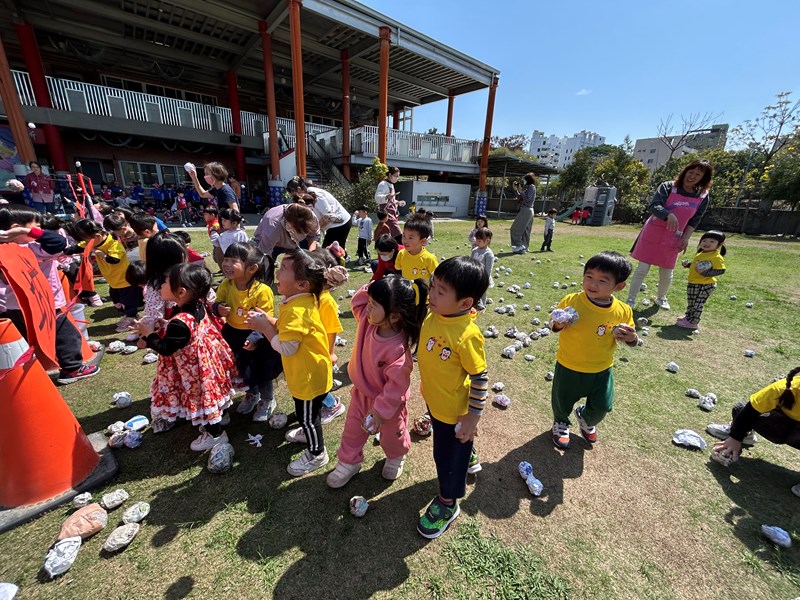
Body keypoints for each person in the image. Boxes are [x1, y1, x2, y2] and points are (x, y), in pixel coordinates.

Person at [327, 275, 429, 489]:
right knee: (353, 431)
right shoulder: (367, 319)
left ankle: (396, 456)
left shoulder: (398, 351)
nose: (368, 307)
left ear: (393, 317)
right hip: (361, 394)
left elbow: (396, 389)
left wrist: (380, 413)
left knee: (393, 435)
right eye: (371, 302)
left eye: (374, 304)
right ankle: (349, 462)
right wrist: (376, 286)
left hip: (388, 406)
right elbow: (357, 300)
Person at [416, 256, 489, 538]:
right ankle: (467, 452)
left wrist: (472, 417)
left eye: (440, 291)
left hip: (454, 411)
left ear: (465, 303)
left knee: (445, 459)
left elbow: (481, 377)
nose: (432, 294)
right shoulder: (436, 314)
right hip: (435, 400)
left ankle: (448, 502)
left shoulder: (467, 335)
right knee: (455, 448)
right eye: (433, 286)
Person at [246, 249, 332, 476]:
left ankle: (317, 453)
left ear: (302, 284)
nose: (277, 271)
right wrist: (268, 320)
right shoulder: (299, 300)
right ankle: (307, 431)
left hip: (308, 377)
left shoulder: (296, 309)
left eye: (284, 269)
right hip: (310, 372)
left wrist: (265, 328)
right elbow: (288, 330)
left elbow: (286, 346)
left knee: (308, 417)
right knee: (306, 414)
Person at [139, 263, 234, 451]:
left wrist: (149, 335)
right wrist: (163, 324)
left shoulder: (181, 321)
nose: (161, 286)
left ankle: (215, 434)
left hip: (193, 372)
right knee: (211, 395)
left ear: (181, 292)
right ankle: (220, 415)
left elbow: (166, 348)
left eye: (165, 282)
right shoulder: (197, 305)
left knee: (201, 398)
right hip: (205, 363)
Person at [549, 251, 639, 450]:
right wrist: (558, 324)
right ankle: (561, 423)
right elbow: (553, 324)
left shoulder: (623, 310)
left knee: (603, 405)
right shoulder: (572, 300)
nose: (592, 284)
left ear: (619, 286)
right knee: (561, 401)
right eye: (589, 277)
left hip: (601, 368)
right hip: (569, 364)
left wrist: (631, 338)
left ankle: (586, 418)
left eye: (602, 280)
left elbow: (631, 336)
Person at [0, 205, 100, 384]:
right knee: (64, 335)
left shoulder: (32, 246)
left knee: (24, 341)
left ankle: (29, 375)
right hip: (43, 304)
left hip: (16, 305)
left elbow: (59, 242)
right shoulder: (30, 246)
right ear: (16, 228)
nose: (41, 231)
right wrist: (27, 232)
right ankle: (72, 368)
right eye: (37, 227)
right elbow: (58, 242)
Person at [627, 160, 713, 310]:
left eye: (698, 175)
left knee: (667, 271)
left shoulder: (703, 196)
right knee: (642, 268)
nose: (692, 176)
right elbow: (654, 205)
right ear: (685, 171)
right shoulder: (668, 186)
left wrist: (685, 238)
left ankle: (661, 298)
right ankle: (631, 300)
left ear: (703, 179)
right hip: (654, 232)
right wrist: (668, 215)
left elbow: (695, 219)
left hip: (675, 236)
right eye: (691, 172)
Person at [213, 242, 281, 423]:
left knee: (262, 370)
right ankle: (252, 394)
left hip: (257, 336)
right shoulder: (227, 285)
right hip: (233, 334)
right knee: (244, 369)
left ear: (251, 268)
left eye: (233, 260)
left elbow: (265, 317)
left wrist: (255, 338)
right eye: (225, 259)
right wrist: (218, 308)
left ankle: (267, 400)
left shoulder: (262, 291)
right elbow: (216, 303)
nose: (226, 264)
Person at [708, 367, 800, 497]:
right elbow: (750, 410)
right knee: (740, 409)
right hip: (783, 425)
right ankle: (745, 435)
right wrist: (735, 437)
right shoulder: (783, 388)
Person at [67, 219, 140, 332]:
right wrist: (62, 251)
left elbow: (114, 259)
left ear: (96, 236)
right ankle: (129, 315)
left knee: (128, 301)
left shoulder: (113, 244)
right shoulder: (92, 242)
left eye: (86, 241)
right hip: (112, 280)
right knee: (116, 300)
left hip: (124, 279)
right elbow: (78, 247)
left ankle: (132, 318)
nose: (86, 244)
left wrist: (102, 255)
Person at [310, 247, 350, 424]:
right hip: (311, 348)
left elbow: (332, 328)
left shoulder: (326, 301)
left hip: (321, 351)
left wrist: (331, 352)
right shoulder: (312, 295)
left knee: (318, 383)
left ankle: (332, 405)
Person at [677, 230, 727, 330]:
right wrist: (688, 265)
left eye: (712, 241)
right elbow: (698, 266)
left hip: (705, 284)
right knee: (691, 302)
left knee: (697, 303)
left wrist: (707, 274)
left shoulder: (716, 257)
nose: (707, 243)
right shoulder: (701, 253)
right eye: (704, 240)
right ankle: (689, 318)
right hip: (694, 282)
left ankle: (693, 323)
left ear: (719, 244)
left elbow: (721, 270)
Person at [287, 177, 352, 248]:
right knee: (333, 252)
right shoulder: (304, 197)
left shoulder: (315, 195)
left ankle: (344, 257)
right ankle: (344, 257)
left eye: (292, 194)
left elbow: (329, 216)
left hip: (340, 224)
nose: (292, 197)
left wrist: (314, 230)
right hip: (332, 226)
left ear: (299, 189)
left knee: (328, 253)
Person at [252, 202, 321, 259]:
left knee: (305, 266)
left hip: (300, 242)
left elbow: (313, 236)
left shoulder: (312, 218)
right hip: (274, 244)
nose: (301, 234)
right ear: (290, 226)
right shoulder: (273, 226)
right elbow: (265, 254)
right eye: (299, 231)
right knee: (265, 265)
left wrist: (311, 255)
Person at [395, 213, 438, 283]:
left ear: (423, 241)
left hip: (422, 293)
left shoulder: (429, 259)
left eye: (410, 237)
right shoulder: (401, 254)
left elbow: (437, 278)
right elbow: (398, 269)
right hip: (407, 293)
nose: (405, 240)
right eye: (404, 236)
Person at [375, 166, 404, 244]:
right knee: (398, 234)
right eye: (396, 176)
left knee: (390, 236)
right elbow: (377, 197)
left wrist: (397, 202)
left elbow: (391, 200)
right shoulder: (383, 184)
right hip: (387, 215)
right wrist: (386, 196)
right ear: (390, 175)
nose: (397, 178)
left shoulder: (391, 185)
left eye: (398, 176)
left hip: (392, 214)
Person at [510, 172, 537, 254]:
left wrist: (521, 191)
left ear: (528, 180)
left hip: (526, 209)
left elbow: (527, 200)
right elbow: (520, 197)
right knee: (526, 231)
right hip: (527, 210)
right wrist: (516, 190)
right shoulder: (528, 188)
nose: (523, 181)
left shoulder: (532, 187)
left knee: (515, 229)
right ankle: (524, 247)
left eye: (524, 179)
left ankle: (519, 245)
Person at [470, 227, 495, 311]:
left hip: (483, 277)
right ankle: (473, 305)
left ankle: (482, 307)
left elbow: (488, 269)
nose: (477, 242)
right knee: (472, 291)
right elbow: (471, 263)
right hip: (474, 275)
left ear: (487, 241)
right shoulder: (474, 250)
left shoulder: (489, 254)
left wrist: (485, 279)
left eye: (479, 241)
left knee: (482, 293)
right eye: (476, 240)